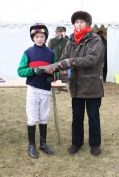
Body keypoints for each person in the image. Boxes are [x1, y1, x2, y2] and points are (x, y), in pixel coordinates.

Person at [43, 11, 105, 156]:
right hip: (76, 85)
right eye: (76, 22)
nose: (78, 24)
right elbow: (63, 59)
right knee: (76, 116)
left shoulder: (95, 39)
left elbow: (92, 60)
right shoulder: (71, 41)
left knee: (93, 116)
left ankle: (95, 144)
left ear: (87, 24)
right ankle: (76, 143)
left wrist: (71, 61)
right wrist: (53, 67)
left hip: (92, 85)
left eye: (81, 22)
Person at [17, 23, 55, 159]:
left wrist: (52, 77)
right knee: (33, 116)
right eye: (37, 36)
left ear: (46, 37)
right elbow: (20, 71)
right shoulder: (28, 52)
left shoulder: (51, 53)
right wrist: (33, 70)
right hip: (33, 88)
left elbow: (54, 70)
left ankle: (43, 144)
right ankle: (31, 145)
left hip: (45, 89)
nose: (40, 39)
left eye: (42, 36)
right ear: (33, 38)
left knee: (44, 116)